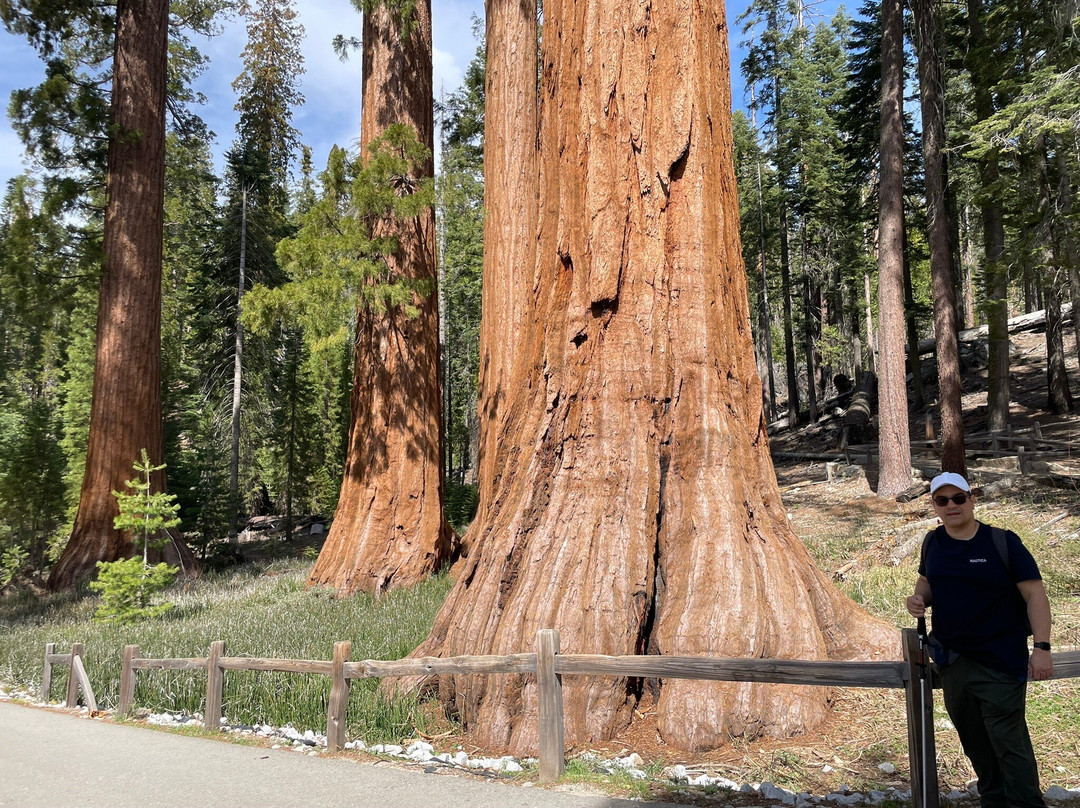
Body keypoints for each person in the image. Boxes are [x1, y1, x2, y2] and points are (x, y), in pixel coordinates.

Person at [906, 471, 1053, 808]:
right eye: (942, 500)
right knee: (975, 742)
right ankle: (994, 801)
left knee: (1009, 742)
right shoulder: (932, 543)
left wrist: (1041, 648)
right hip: (952, 662)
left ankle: (1026, 804)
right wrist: (918, 599)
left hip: (1000, 661)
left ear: (972, 499)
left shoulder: (1002, 542)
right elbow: (926, 582)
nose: (951, 505)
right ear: (934, 506)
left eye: (958, 498)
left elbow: (1035, 595)